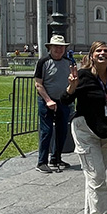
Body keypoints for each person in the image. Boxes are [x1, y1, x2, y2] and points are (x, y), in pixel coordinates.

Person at [61, 41, 107, 214]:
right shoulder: (84, 76)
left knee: (95, 175)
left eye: (106, 51)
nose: (103, 53)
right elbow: (65, 100)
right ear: (91, 55)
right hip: (85, 130)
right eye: (98, 50)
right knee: (97, 175)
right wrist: (72, 87)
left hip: (104, 132)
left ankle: (91, 213)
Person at [33, 34, 74, 173]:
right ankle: (41, 162)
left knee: (62, 131)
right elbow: (38, 84)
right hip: (46, 101)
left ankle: (56, 158)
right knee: (47, 131)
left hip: (63, 101)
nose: (59, 49)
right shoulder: (43, 62)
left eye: (61, 47)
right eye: (56, 46)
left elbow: (72, 82)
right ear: (50, 48)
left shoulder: (68, 62)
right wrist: (48, 100)